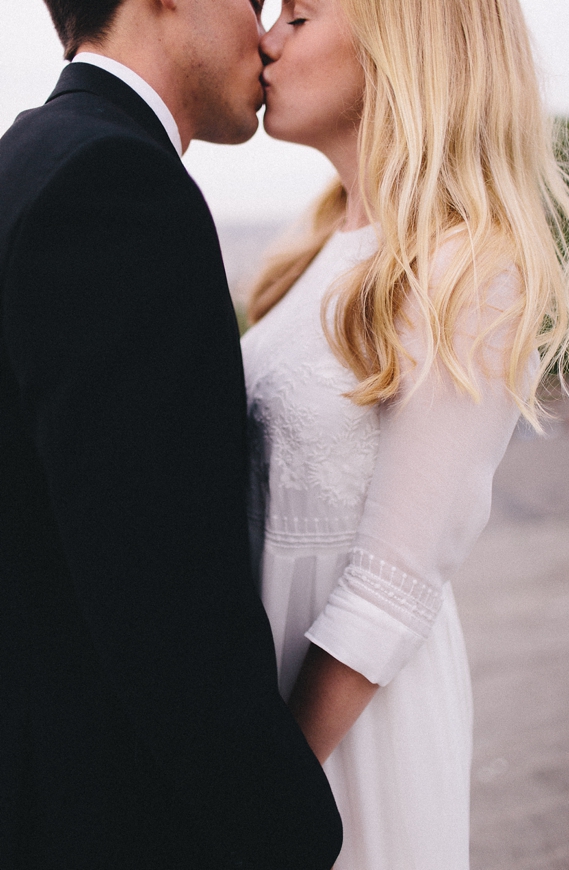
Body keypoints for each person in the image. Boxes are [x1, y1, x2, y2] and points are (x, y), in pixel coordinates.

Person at [0, 0, 343, 867]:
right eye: (253, 2)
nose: (264, 33)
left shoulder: (30, 156)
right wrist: (291, 826)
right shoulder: (117, 185)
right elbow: (161, 596)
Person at [241, 0, 569, 868]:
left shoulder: (471, 264)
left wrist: (263, 787)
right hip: (256, 690)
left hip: (343, 724)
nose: (265, 39)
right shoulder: (313, 249)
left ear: (401, 46)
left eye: (300, 16)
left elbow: (396, 582)